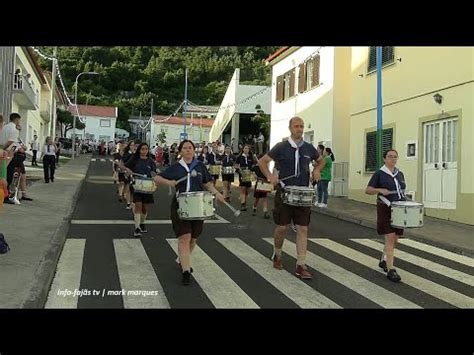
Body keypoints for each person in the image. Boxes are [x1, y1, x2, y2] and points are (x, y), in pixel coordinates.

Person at [258, 116, 325, 279]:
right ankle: (277, 254)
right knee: (282, 227)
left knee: (303, 228)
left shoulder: (309, 148)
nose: (300, 129)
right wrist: (270, 177)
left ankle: (301, 264)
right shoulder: (281, 147)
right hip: (285, 191)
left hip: (303, 192)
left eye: (302, 126)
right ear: (290, 128)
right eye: (296, 126)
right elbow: (262, 161)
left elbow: (321, 161)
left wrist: (317, 170)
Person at [153, 140, 225, 285]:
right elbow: (157, 177)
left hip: (197, 204)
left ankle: (182, 258)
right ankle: (186, 271)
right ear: (180, 151)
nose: (188, 150)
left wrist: (217, 193)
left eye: (190, 148)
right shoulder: (176, 167)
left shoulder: (199, 166)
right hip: (181, 203)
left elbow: (207, 183)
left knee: (193, 238)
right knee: (184, 237)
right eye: (185, 148)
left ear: (194, 150)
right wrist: (169, 183)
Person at [365, 149, 406, 283]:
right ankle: (391, 269)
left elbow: (402, 189)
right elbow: (368, 190)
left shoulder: (400, 174)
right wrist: (379, 190)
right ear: (384, 159)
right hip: (385, 207)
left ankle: (383, 260)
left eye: (395, 157)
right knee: (390, 237)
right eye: (390, 156)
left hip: (398, 209)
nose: (393, 159)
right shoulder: (380, 174)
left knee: (396, 238)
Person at [122, 143, 157, 237]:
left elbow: (154, 172)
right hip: (137, 186)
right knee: (138, 205)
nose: (144, 151)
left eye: (146, 149)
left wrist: (156, 176)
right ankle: (137, 228)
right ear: (139, 150)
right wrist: (127, 171)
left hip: (148, 187)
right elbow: (124, 167)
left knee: (144, 208)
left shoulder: (150, 161)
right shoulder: (134, 160)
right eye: (142, 149)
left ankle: (142, 222)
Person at [235, 144, 255, 211]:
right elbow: (236, 165)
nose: (246, 149)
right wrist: (239, 170)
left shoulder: (250, 157)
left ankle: (244, 202)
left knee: (247, 191)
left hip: (249, 175)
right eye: (245, 148)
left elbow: (253, 165)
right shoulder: (240, 157)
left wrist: (253, 171)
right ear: (243, 149)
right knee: (243, 189)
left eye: (247, 148)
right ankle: (242, 204)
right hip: (242, 174)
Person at [251, 153, 270, 218]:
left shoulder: (265, 167)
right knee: (257, 198)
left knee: (264, 197)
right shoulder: (256, 167)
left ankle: (265, 211)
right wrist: (254, 175)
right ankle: (254, 208)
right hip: (259, 183)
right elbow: (251, 172)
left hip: (264, 183)